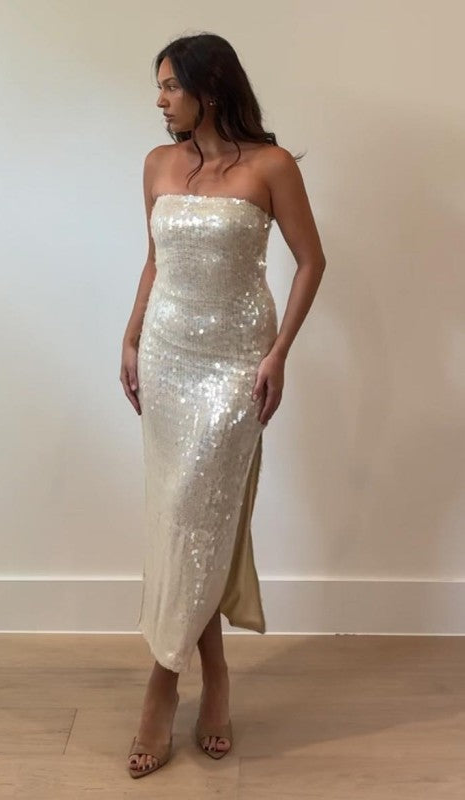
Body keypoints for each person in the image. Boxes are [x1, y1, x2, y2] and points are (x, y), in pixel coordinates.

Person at [120, 32, 326, 778]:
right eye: (159, 86)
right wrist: (130, 336)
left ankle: (161, 683)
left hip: (237, 362)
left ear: (211, 87)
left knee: (197, 515)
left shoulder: (270, 167)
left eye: (170, 85)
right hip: (167, 356)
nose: (160, 99)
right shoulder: (157, 164)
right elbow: (156, 260)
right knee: (181, 519)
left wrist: (279, 354)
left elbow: (311, 261)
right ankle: (216, 675)